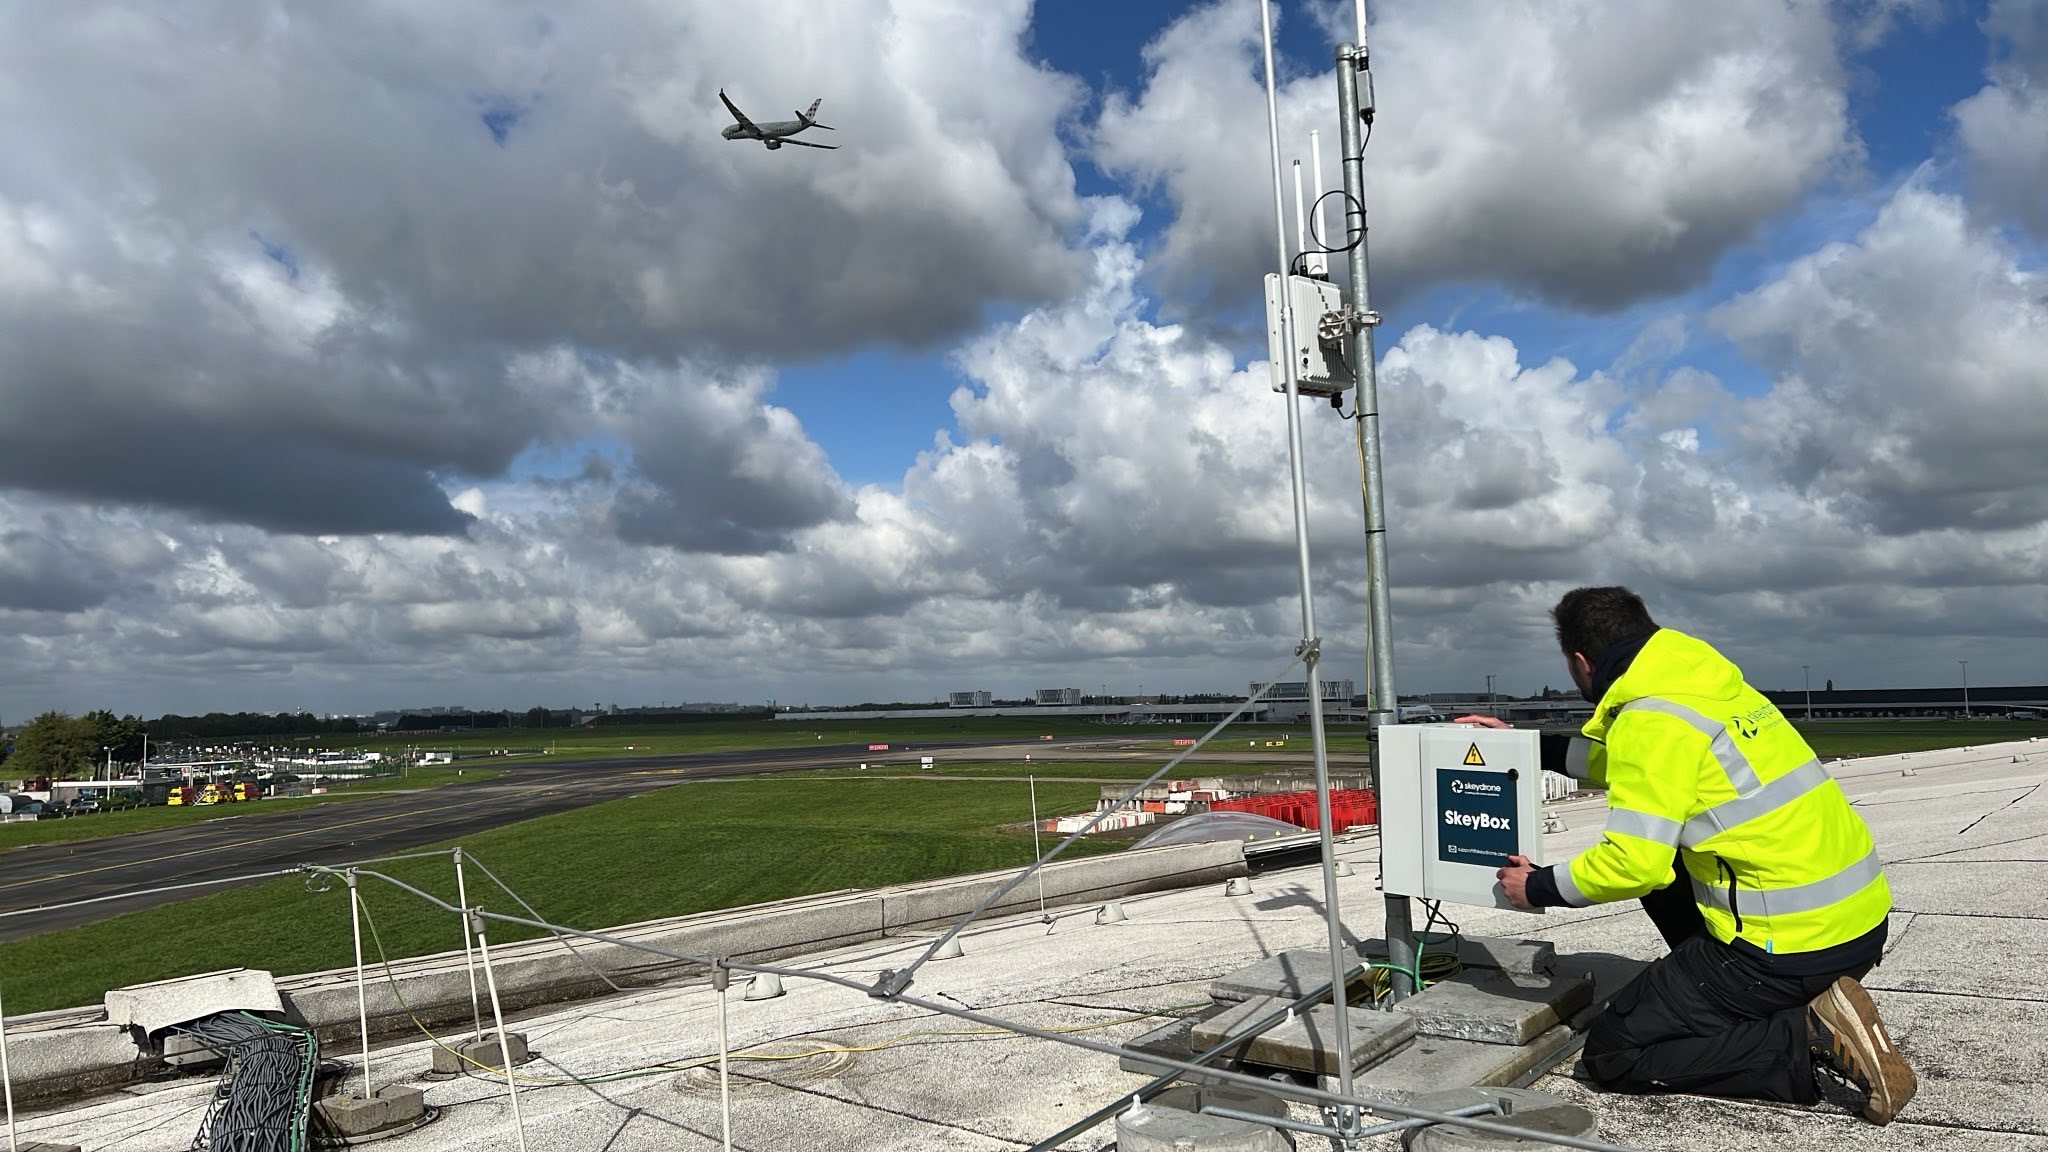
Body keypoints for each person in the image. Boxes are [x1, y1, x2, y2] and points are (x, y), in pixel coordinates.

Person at [1462, 586, 1916, 1123]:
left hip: (1786, 950)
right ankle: (1735, 993)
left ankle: (1804, 1038)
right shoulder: (1706, 689)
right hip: (1857, 928)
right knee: (1674, 865)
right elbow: (1626, 764)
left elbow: (1632, 864)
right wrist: (1526, 744)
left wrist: (1536, 886)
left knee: (1615, 1052)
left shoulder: (1650, 719)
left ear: (1580, 661)